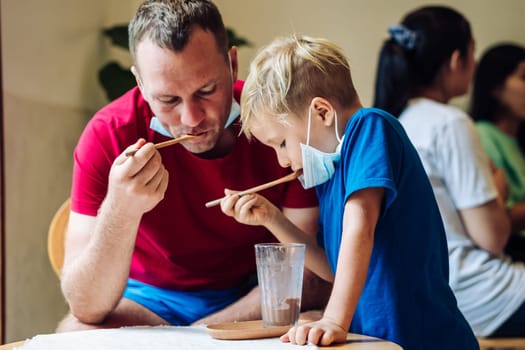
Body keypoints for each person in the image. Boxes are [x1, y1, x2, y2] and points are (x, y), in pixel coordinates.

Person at [57, 0, 332, 331]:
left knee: (312, 322)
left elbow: (308, 274)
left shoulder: (276, 128)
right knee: (74, 332)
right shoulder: (109, 134)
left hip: (250, 294)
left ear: (231, 64)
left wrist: (193, 336)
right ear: (141, 84)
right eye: (168, 100)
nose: (192, 119)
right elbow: (86, 306)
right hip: (146, 300)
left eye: (206, 90)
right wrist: (120, 209)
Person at [218, 34, 478, 349]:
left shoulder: (369, 128)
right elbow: (332, 267)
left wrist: (334, 319)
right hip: (377, 339)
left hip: (423, 338)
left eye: (282, 143)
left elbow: (360, 228)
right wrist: (271, 218)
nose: (282, 160)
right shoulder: (332, 172)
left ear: (322, 113)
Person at [374, 5, 525, 338]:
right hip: (480, 295)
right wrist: (497, 192)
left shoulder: (391, 123)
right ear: (457, 60)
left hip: (429, 291)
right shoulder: (450, 123)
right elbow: (492, 237)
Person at [470, 43, 525, 262]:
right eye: (523, 78)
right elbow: (500, 221)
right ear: (495, 87)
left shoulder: (518, 138)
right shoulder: (483, 136)